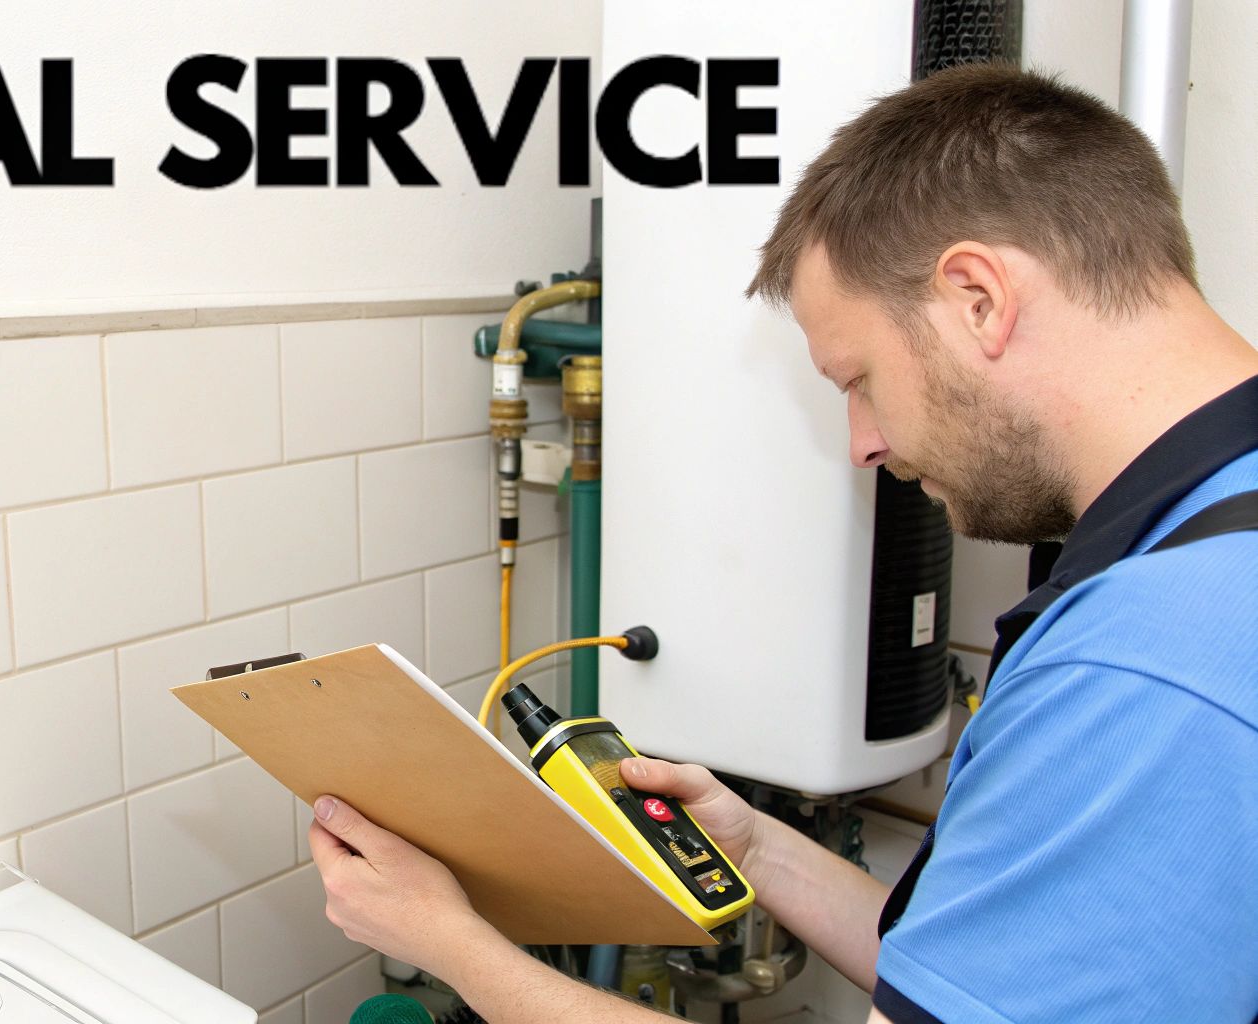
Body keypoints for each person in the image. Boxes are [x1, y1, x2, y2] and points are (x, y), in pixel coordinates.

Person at [308, 63, 1258, 1024]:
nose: (862, 444)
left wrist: (451, 942)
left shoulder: (1145, 666)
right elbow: (990, 970)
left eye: (860, 378)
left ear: (979, 296)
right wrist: (755, 851)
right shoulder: (1209, 550)